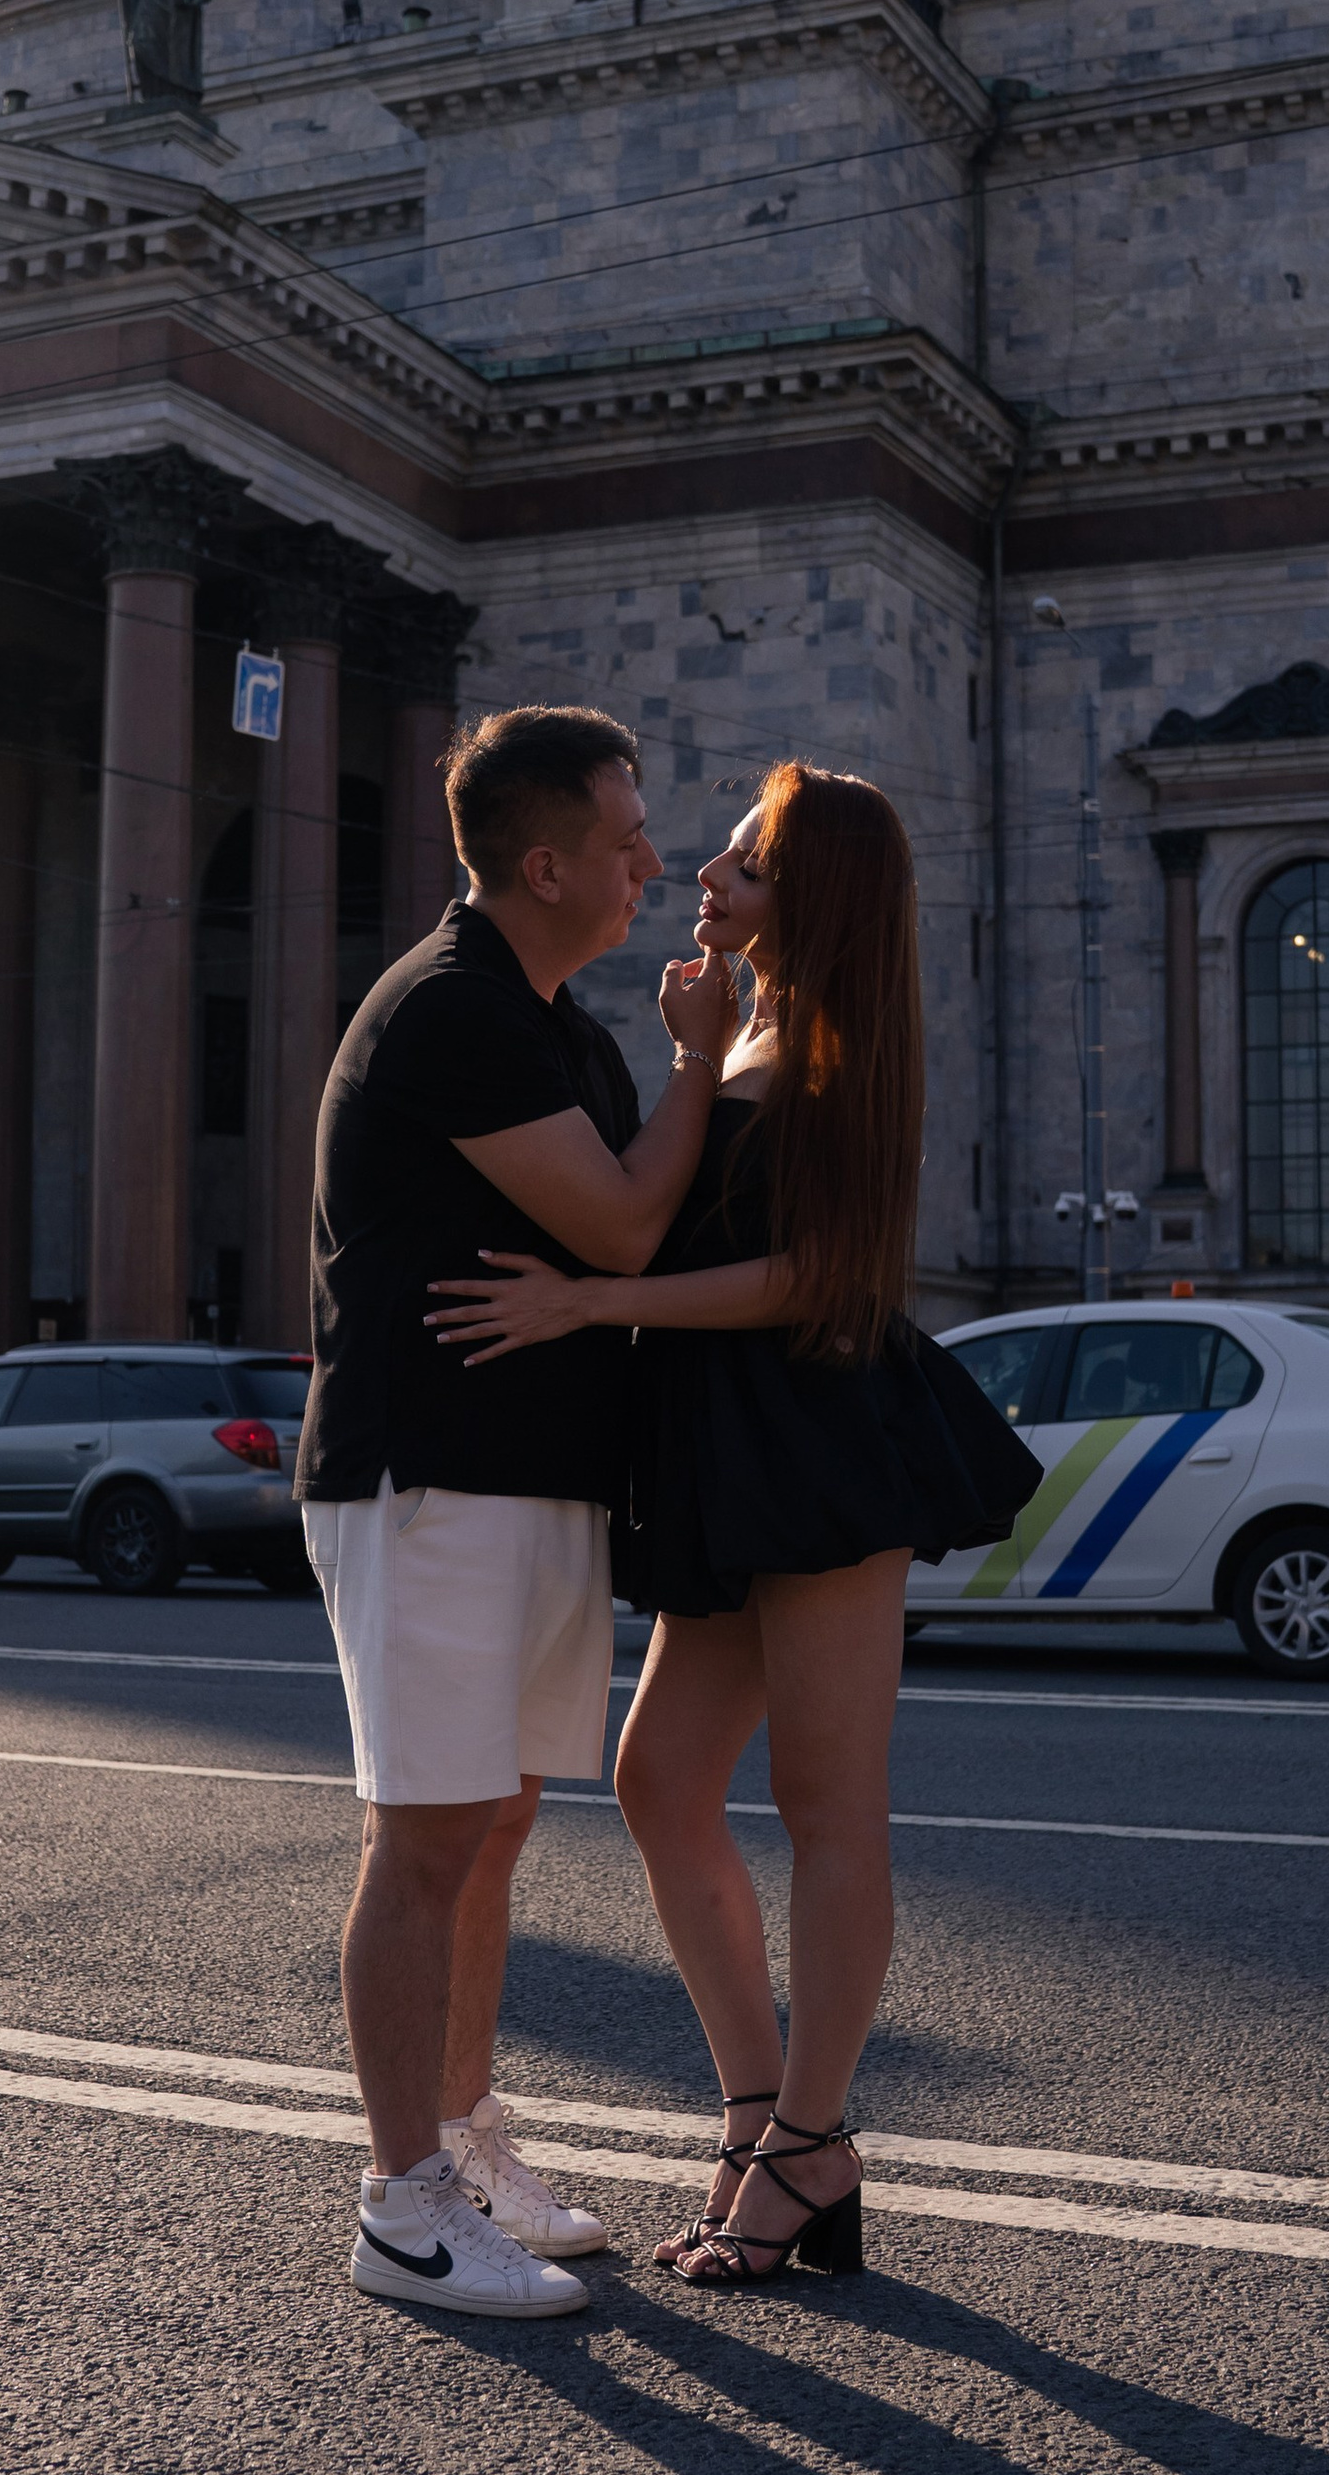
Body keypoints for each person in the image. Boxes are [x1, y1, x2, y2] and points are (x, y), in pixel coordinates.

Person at [430, 765, 1038, 2288]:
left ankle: (810, 2144)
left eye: (748, 865)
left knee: (832, 1805)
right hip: (734, 1445)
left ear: (811, 896)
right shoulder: (747, 1022)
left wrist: (595, 1300)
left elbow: (811, 1280)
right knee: (659, 1778)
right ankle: (768, 2117)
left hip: (824, 1436)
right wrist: (691, 1056)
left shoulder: (845, 1040)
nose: (705, 868)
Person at [299, 706, 738, 2320]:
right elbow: (628, 1224)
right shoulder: (450, 1011)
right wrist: (704, 1053)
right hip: (429, 1475)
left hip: (534, 1478)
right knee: (422, 1836)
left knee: (491, 1827)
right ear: (542, 862)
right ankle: (400, 2204)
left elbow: (629, 1227)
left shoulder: (557, 1024)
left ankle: (470, 2140)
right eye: (627, 837)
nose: (651, 863)